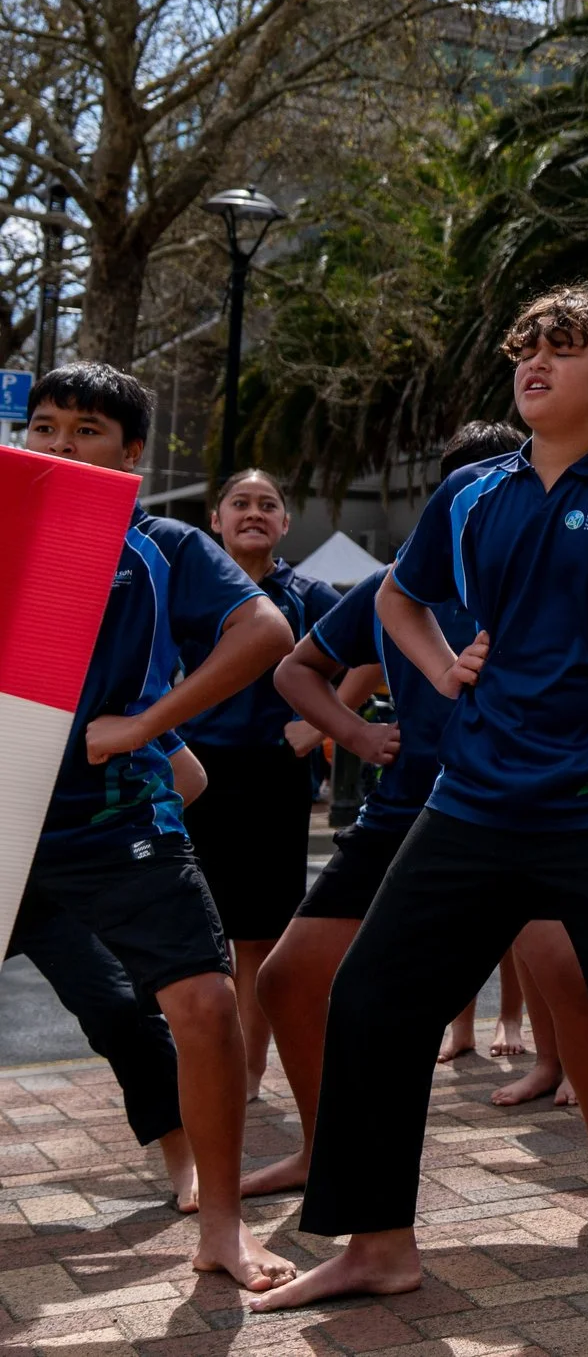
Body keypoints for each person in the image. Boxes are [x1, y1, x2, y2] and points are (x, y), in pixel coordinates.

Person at [249, 285, 588, 1348]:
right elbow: (398, 602)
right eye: (526, 350)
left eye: (564, 349)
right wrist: (438, 672)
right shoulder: (471, 492)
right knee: (372, 992)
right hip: (475, 798)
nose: (536, 364)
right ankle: (378, 1243)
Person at [252, 423, 588, 1207]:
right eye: (485, 490)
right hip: (408, 811)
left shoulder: (570, 573)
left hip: (525, 811)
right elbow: (296, 670)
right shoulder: (397, 584)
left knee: (572, 981)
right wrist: (355, 733)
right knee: (286, 981)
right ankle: (322, 1150)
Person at [18, 363, 299, 1290]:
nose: (60, 447)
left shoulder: (162, 544)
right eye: (45, 426)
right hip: (6, 820)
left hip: (115, 822)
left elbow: (262, 633)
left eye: (86, 431)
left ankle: (220, 1225)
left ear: (132, 453)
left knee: (205, 1006)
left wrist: (143, 727)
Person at [179, 468, 340, 1097]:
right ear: (214, 519)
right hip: (194, 775)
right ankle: (198, 1061)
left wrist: (318, 724)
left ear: (284, 523)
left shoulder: (309, 594)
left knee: (260, 937)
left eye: (267, 504)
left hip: (275, 778)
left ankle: (247, 1068)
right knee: (198, 929)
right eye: (239, 503)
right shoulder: (185, 588)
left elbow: (373, 653)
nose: (253, 513)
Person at [5, 742, 212, 1212]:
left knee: (119, 1010)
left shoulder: (71, 682)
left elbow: (189, 775)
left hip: (52, 887)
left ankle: (185, 1158)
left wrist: (101, 842)